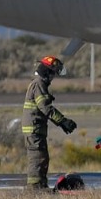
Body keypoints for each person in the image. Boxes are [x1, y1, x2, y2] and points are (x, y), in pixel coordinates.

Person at [22, 55, 77, 190]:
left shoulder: (37, 83)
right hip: (34, 130)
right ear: (47, 72)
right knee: (38, 157)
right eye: (53, 73)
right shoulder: (39, 84)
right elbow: (45, 107)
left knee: (42, 157)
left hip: (36, 129)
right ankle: (35, 188)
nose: (53, 78)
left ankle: (40, 185)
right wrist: (63, 121)